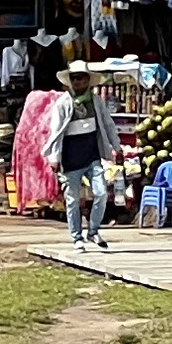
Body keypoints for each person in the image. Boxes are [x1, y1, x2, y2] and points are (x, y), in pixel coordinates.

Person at [56, 82, 111, 247]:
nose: (79, 82)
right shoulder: (63, 103)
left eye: (82, 78)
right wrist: (54, 157)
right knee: (73, 200)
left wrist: (116, 147)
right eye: (75, 78)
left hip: (92, 158)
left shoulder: (96, 102)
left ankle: (93, 231)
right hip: (70, 161)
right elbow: (55, 132)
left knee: (101, 193)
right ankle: (77, 237)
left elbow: (108, 124)